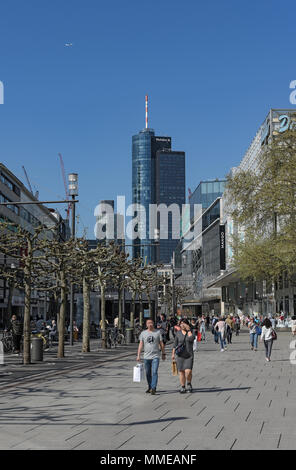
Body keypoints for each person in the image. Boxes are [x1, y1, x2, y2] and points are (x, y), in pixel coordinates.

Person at [137, 318, 166, 395]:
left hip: (155, 356)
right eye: (148, 323)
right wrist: (138, 355)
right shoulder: (143, 333)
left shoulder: (157, 332)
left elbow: (161, 344)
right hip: (146, 357)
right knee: (147, 373)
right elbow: (140, 344)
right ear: (146, 325)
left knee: (154, 372)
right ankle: (150, 386)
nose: (150, 324)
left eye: (151, 322)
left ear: (153, 323)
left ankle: (153, 388)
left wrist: (163, 353)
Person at [171, 318, 195, 393]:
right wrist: (173, 354)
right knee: (181, 372)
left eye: (184, 323)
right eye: (181, 323)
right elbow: (175, 344)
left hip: (189, 355)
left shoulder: (191, 331)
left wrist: (189, 330)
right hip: (180, 355)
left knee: (188, 371)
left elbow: (191, 339)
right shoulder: (178, 333)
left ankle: (189, 383)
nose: (182, 325)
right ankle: (183, 386)